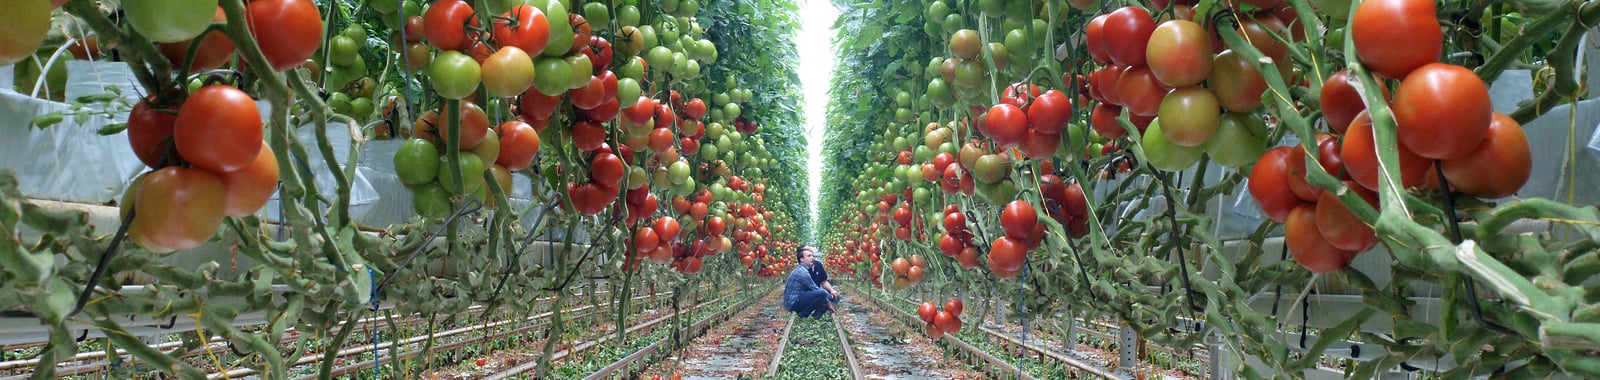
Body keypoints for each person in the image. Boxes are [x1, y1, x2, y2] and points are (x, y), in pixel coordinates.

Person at [783, 246, 834, 318]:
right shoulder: (802, 272)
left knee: (823, 294)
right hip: (792, 304)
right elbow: (816, 289)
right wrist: (829, 304)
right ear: (802, 259)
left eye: (812, 256)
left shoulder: (801, 269)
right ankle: (803, 315)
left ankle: (811, 314)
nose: (812, 258)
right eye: (809, 256)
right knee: (823, 293)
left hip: (793, 302)